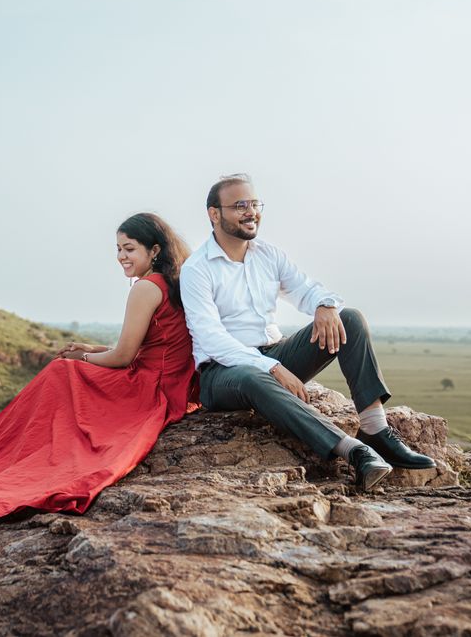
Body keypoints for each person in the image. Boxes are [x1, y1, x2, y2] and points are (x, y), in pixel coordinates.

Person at [0, 213, 200, 526]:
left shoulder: (145, 288)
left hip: (149, 388)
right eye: (118, 249)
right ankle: (24, 453)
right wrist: (91, 350)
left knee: (61, 373)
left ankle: (17, 457)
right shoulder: (170, 282)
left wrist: (80, 360)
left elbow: (125, 357)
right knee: (65, 369)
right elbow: (147, 346)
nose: (121, 257)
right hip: (167, 382)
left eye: (129, 249)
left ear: (153, 251)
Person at [180, 173, 435, 490]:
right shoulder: (197, 269)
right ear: (214, 214)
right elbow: (211, 340)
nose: (250, 212)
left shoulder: (269, 255)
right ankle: (353, 451)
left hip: (272, 353)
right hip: (222, 373)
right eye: (239, 205)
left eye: (255, 204)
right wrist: (272, 368)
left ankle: (375, 430)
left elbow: (306, 290)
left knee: (350, 319)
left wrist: (325, 306)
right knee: (251, 374)